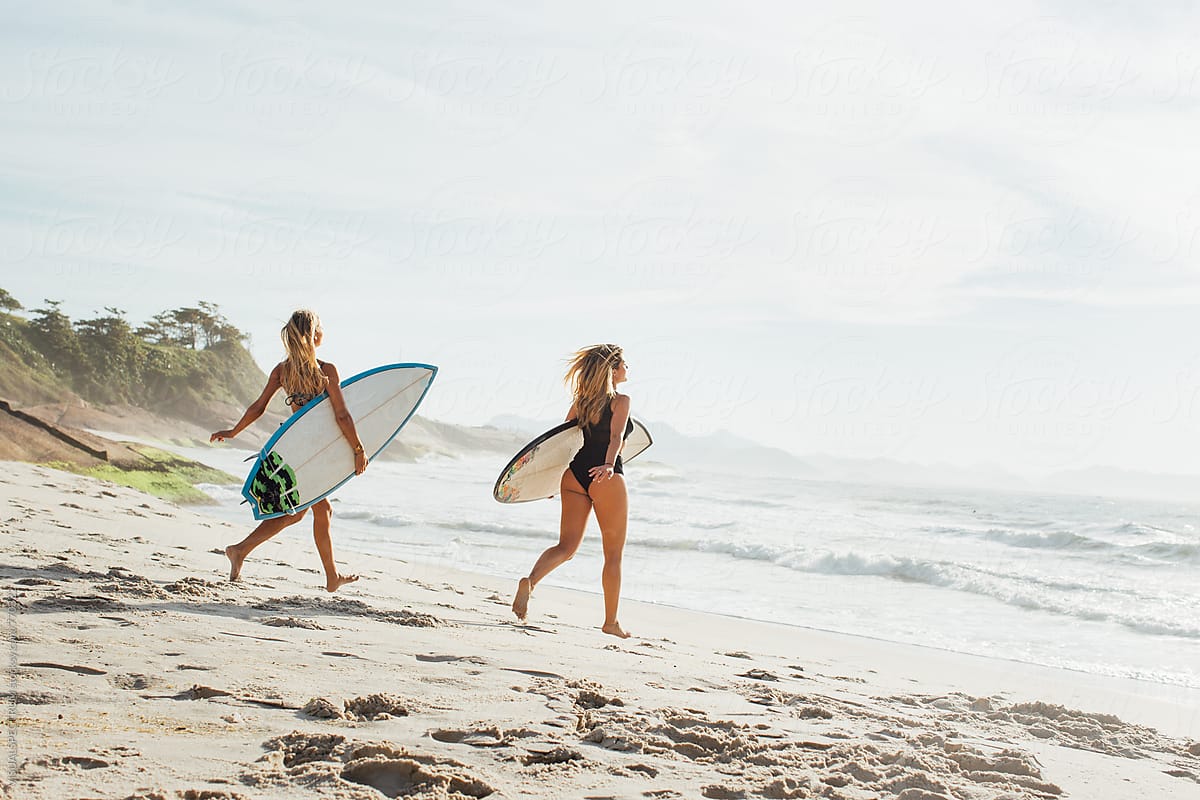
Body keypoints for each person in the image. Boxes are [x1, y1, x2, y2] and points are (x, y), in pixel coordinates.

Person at [210, 309, 367, 592]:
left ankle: (240, 551)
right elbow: (342, 415)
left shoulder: (282, 371)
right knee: (320, 509)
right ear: (315, 335)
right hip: (314, 452)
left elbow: (259, 406)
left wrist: (233, 431)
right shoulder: (326, 371)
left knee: (300, 512)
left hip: (293, 449)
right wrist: (358, 449)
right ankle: (330, 577)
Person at [512, 344, 634, 638]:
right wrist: (607, 464)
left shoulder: (582, 402)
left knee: (565, 547)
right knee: (613, 555)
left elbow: (560, 442)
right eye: (624, 364)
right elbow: (616, 436)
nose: (628, 369)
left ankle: (530, 581)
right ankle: (610, 622)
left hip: (574, 475)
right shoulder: (621, 401)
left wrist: (551, 481)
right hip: (605, 476)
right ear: (612, 370)